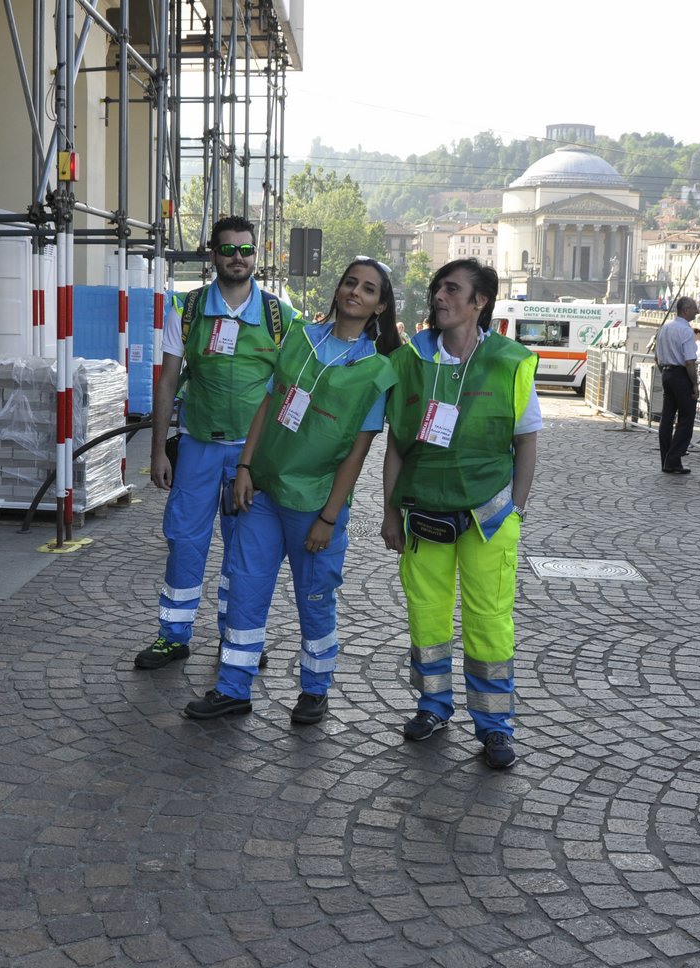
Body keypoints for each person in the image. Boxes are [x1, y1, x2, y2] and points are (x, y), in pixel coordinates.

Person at [183, 259, 399, 723]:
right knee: (245, 588)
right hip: (263, 494)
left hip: (315, 504)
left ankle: (315, 689)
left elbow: (356, 453)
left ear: (380, 305)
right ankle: (232, 687)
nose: (354, 292)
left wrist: (328, 517)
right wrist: (244, 467)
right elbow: (267, 404)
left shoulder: (377, 371)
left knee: (315, 599)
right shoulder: (299, 338)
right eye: (349, 283)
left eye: (367, 289)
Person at [380, 258, 539, 770]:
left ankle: (494, 725)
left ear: (480, 301)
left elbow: (526, 442)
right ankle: (433, 706)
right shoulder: (409, 362)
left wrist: (515, 508)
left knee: (490, 621)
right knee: (426, 616)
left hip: (489, 516)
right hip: (423, 513)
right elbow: (396, 447)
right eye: (436, 289)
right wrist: (388, 512)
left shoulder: (510, 362)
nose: (440, 297)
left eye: (452, 289)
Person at [136, 216, 300, 670]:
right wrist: (156, 452)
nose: (237, 258)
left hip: (253, 457)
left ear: (256, 255)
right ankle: (173, 636)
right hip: (197, 447)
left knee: (245, 550)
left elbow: (292, 390)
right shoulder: (186, 311)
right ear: (213, 255)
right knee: (184, 542)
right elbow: (168, 383)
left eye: (245, 250)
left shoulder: (279, 316)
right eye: (228, 250)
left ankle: (239, 639)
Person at [655, 297, 700, 473]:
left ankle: (667, 459)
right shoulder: (686, 331)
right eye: (695, 308)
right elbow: (689, 361)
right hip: (681, 376)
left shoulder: (664, 329)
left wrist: (666, 373)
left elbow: (657, 358)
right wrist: (694, 385)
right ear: (686, 310)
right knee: (686, 419)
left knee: (667, 418)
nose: (698, 311)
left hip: (666, 373)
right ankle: (673, 459)